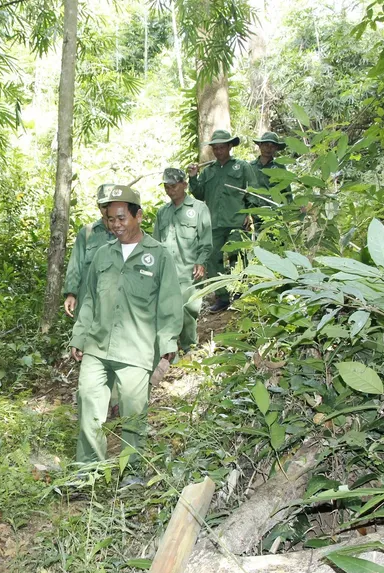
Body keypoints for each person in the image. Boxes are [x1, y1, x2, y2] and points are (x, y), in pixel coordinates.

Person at [69, 185, 183, 463]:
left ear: (138, 216)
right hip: (97, 344)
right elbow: (90, 301)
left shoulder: (159, 255)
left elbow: (169, 303)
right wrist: (79, 336)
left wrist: (167, 347)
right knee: (88, 401)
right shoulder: (102, 255)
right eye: (110, 219)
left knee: (133, 413)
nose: (115, 225)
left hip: (136, 349)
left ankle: (132, 470)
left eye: (121, 218)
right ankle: (89, 470)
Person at [188, 129, 258, 312]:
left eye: (222, 148)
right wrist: (193, 177)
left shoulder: (242, 167)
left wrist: (249, 213)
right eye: (215, 148)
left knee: (239, 257)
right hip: (214, 223)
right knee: (213, 259)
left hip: (237, 221)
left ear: (229, 147)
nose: (218, 151)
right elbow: (199, 194)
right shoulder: (208, 171)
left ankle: (241, 294)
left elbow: (253, 192)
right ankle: (222, 297)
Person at [154, 168, 213, 352]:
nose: (170, 190)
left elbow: (206, 241)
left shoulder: (198, 209)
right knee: (167, 312)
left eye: (173, 186)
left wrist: (201, 261)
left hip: (189, 271)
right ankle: (169, 351)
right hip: (167, 272)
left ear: (184, 185)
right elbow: (156, 244)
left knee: (188, 312)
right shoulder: (162, 213)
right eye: (166, 187)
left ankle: (190, 348)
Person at [63, 183, 116, 318]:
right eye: (104, 206)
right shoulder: (87, 233)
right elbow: (75, 265)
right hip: (89, 301)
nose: (108, 210)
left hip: (116, 302)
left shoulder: (126, 232)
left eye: (112, 205)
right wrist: (71, 294)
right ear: (98, 206)